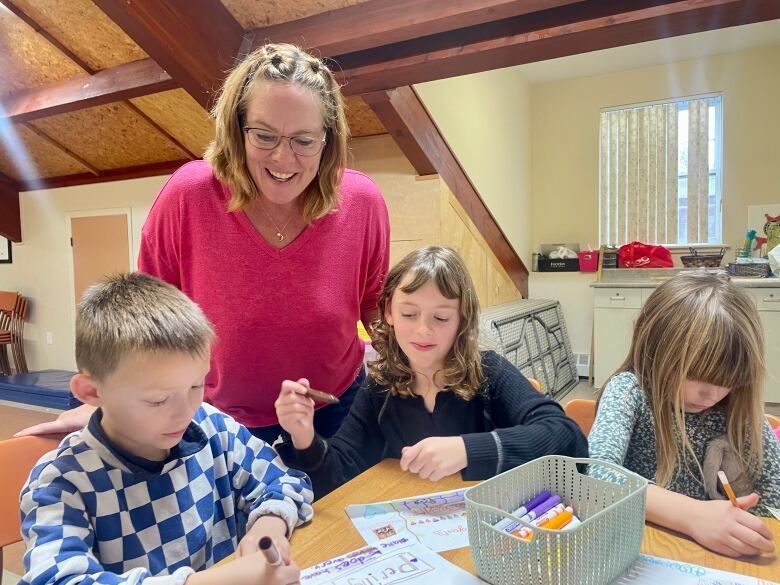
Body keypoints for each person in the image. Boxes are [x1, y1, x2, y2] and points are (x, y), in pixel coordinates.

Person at [16, 43, 390, 444]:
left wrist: (414, 369)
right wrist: (108, 399)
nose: (284, 158)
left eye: (304, 140)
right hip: (217, 418)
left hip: (334, 410)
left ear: (327, 139)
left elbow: (375, 304)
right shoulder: (189, 194)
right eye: (264, 136)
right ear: (236, 129)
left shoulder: (362, 201)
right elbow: (147, 316)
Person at [19, 273, 313, 585]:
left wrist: (267, 526)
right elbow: (58, 580)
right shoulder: (60, 483)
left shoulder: (210, 427)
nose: (185, 413)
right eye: (158, 400)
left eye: (197, 385)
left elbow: (283, 480)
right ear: (92, 393)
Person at [274, 246, 589, 499]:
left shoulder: (488, 372)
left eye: (440, 317)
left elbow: (568, 439)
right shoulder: (382, 386)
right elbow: (338, 475)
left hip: (492, 528)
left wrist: (467, 449)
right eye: (409, 314)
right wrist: (304, 436)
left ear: (462, 320)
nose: (422, 331)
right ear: (388, 312)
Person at [588, 272, 780, 558]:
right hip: (638, 550)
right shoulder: (631, 392)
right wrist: (693, 516)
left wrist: (749, 524)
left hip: (714, 560)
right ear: (655, 353)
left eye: (727, 380)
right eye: (696, 376)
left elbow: (774, 498)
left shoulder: (738, 409)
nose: (713, 395)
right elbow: (596, 475)